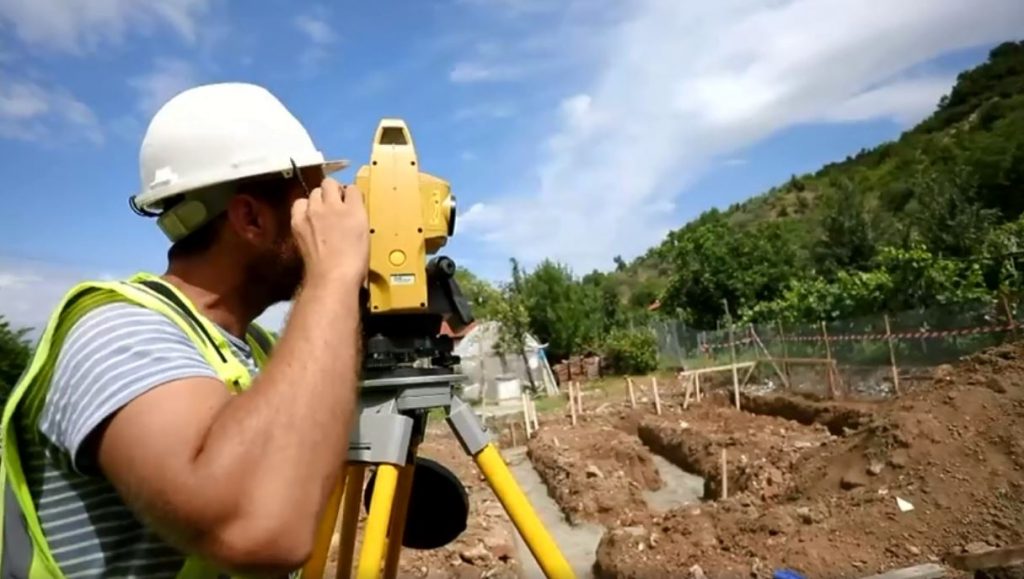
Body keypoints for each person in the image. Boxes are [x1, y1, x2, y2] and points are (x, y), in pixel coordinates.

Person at [0, 82, 369, 578]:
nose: (331, 209)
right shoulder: (116, 333)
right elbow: (258, 529)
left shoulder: (258, 350)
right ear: (250, 217)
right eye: (311, 194)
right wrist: (332, 277)